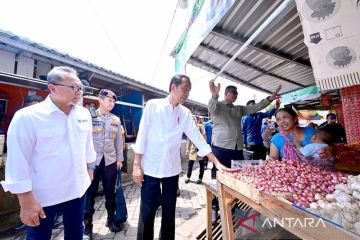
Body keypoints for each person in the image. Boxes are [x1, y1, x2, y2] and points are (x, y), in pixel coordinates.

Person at [132, 75, 233, 240]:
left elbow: (197, 138)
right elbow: (142, 135)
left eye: (189, 91)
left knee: (169, 210)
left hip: (171, 170)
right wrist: (137, 165)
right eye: (185, 89)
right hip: (150, 167)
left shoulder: (185, 113)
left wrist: (216, 162)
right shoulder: (153, 105)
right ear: (173, 87)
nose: (187, 94)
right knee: (147, 211)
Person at [1, 66, 96, 240]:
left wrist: (90, 169)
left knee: (76, 231)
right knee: (39, 236)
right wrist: (26, 202)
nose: (80, 92)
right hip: (43, 194)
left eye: (81, 88)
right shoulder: (28, 117)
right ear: (52, 88)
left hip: (77, 188)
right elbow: (18, 162)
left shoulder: (83, 114)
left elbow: (88, 146)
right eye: (74, 87)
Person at [208, 80, 281, 178]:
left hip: (237, 148)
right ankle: (217, 192)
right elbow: (211, 108)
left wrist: (270, 99)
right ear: (226, 93)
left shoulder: (238, 109)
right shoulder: (218, 106)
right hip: (221, 147)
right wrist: (214, 96)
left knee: (237, 173)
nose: (236, 94)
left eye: (237, 93)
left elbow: (255, 107)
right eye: (233, 92)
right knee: (220, 173)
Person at [84, 89, 124, 239]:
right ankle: (87, 226)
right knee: (90, 193)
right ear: (100, 100)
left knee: (110, 193)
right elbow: (85, 139)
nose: (112, 103)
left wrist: (120, 159)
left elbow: (119, 141)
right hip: (93, 161)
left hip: (110, 161)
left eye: (113, 101)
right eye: (109, 100)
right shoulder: (90, 116)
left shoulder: (116, 119)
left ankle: (110, 220)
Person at [185, 117, 207, 184]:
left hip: (200, 148)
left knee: (201, 164)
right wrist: (187, 149)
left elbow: (204, 136)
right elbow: (189, 139)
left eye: (193, 120)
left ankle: (200, 178)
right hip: (193, 149)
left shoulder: (200, 127)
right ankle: (188, 177)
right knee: (190, 163)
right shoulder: (189, 128)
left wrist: (204, 148)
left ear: (196, 120)